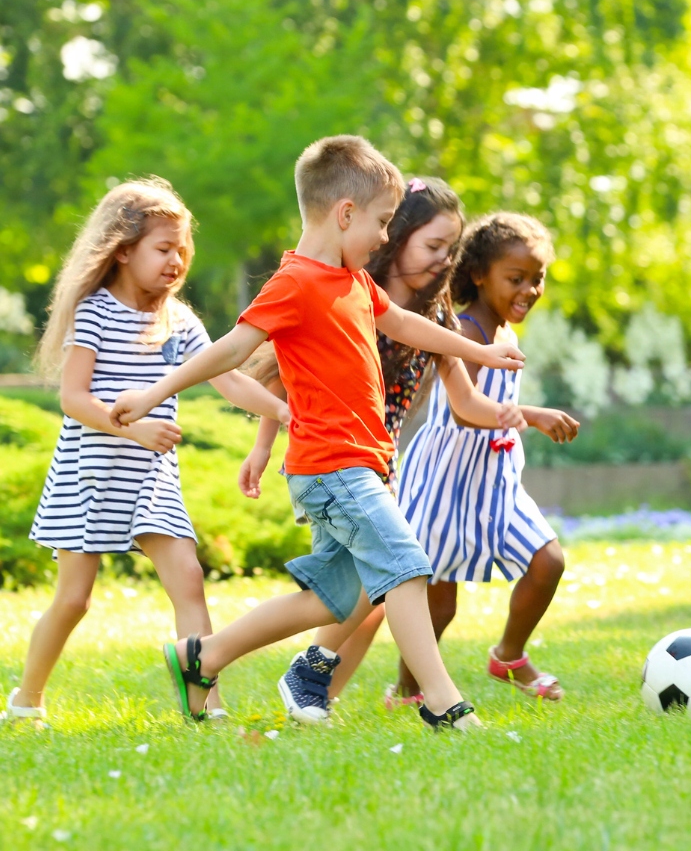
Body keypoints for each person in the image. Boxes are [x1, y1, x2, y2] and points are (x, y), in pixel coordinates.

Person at [109, 136, 526, 730]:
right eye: (382, 222)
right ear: (345, 214)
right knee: (406, 565)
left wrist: (473, 350)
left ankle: (203, 656)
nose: (385, 237)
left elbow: (405, 323)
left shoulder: (353, 281)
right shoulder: (296, 282)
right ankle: (442, 702)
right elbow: (230, 349)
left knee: (332, 601)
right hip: (332, 467)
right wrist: (153, 394)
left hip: (361, 463)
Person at [237, 174, 526, 723]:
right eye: (433, 246)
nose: (445, 260)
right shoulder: (345, 287)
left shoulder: (434, 316)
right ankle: (418, 700)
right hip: (332, 456)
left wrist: (518, 410)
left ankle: (284, 677)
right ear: (398, 236)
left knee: (359, 593)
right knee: (390, 578)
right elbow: (283, 375)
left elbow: (465, 401)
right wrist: (261, 445)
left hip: (375, 457)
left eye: (451, 250)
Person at [4, 178, 288, 722]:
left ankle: (207, 707)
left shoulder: (177, 320)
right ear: (123, 249)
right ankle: (26, 700)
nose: (176, 260)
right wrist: (133, 429)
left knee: (188, 578)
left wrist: (280, 411)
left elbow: (227, 378)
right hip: (89, 473)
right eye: (163, 248)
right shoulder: (95, 312)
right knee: (75, 600)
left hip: (150, 479)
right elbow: (73, 399)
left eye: (183, 249)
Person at [394, 212, 580, 704]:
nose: (529, 290)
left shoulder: (504, 335)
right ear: (479, 274)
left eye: (537, 279)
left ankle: (509, 655)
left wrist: (522, 420)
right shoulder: (468, 332)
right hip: (444, 479)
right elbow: (463, 412)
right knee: (439, 603)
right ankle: (408, 689)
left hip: (495, 481)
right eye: (515, 279)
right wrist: (533, 414)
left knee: (548, 561)